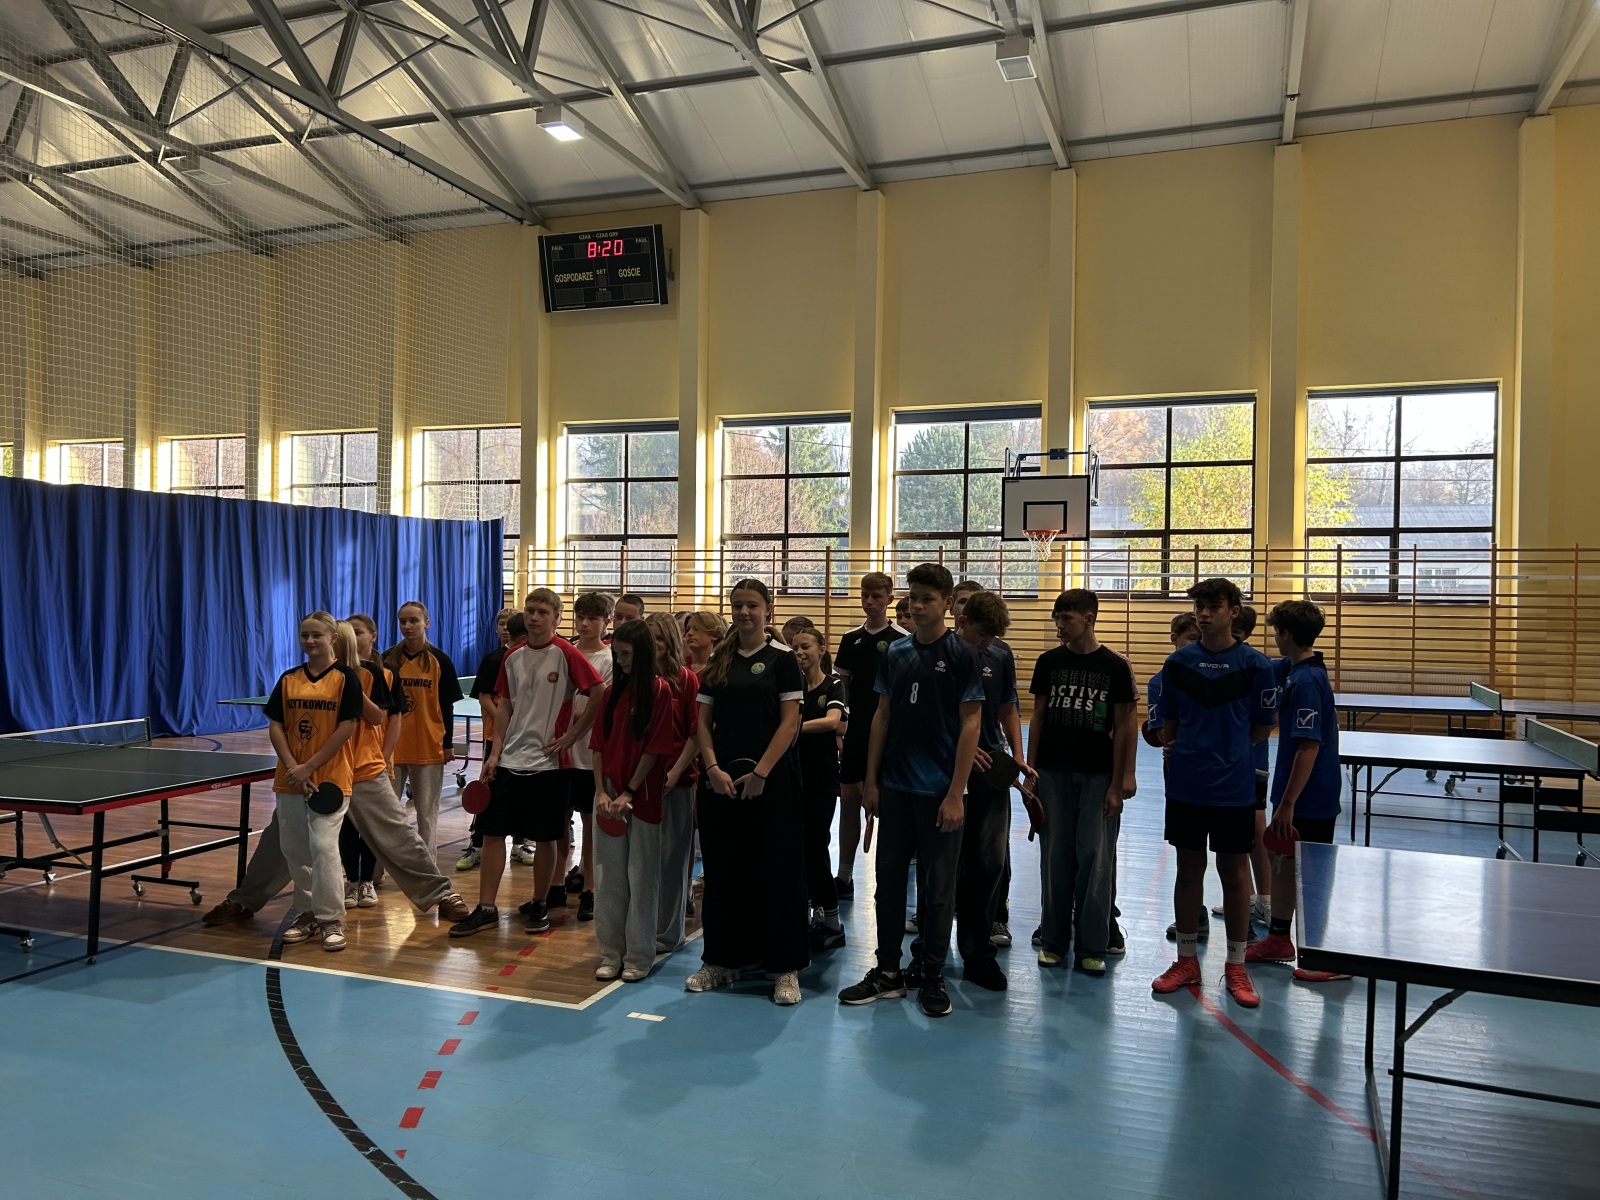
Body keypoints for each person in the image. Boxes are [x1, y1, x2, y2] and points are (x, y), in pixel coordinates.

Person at [202, 616, 472, 933]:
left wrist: (354, 689)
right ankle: (244, 900)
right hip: (315, 772)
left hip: (363, 769)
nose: (345, 641)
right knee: (279, 841)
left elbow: (381, 718)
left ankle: (441, 894)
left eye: (354, 634)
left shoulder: (374, 673)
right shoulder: (301, 677)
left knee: (398, 836)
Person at [839, 563, 982, 1019]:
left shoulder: (962, 654)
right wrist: (872, 779)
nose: (917, 606)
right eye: (913, 597)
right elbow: (881, 716)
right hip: (895, 788)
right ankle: (887, 972)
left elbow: (971, 724)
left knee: (938, 891)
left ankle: (932, 973)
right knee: (888, 885)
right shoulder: (896, 652)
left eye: (927, 599)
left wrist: (956, 793)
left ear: (947, 604)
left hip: (940, 792)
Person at [1148, 578, 1278, 1009]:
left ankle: (1236, 965)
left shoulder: (1257, 666)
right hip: (1187, 785)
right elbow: (1169, 725)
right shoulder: (1178, 663)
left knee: (1235, 874)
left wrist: (1228, 752)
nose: (1204, 614)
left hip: (1234, 787)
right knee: (1188, 869)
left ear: (1233, 612)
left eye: (1213, 606)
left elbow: (1262, 726)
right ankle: (1187, 961)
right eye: (1199, 606)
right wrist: (1190, 751)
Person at [449, 589, 603, 938]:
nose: (534, 617)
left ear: (556, 618)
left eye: (542, 612)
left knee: (546, 837)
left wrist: (572, 735)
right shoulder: (512, 656)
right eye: (530, 611)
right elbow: (504, 705)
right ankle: (486, 907)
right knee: (492, 833)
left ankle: (540, 903)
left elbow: (597, 691)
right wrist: (494, 752)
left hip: (550, 764)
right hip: (508, 761)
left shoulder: (566, 653)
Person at [688, 578, 809, 1006]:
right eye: (737, 604)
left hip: (771, 782)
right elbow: (702, 724)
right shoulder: (719, 660)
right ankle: (721, 961)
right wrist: (713, 768)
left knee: (777, 872)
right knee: (723, 872)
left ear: (767, 609)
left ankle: (784, 968)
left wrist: (761, 773)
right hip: (721, 783)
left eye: (752, 605)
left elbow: (790, 723)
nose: (744, 612)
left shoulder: (783, 659)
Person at [1027, 589, 1136, 977]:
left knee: (1095, 859)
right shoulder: (1048, 662)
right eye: (1057, 618)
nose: (1060, 625)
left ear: (1089, 619)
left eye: (1067, 618)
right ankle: (1054, 941)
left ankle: (1092, 945)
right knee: (1055, 859)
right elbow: (1038, 717)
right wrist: (1031, 771)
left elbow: (1125, 725)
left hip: (1097, 776)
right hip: (1052, 774)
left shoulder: (1114, 666)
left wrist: (1121, 780)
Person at [1246, 601, 1351, 983]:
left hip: (1310, 797)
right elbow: (1261, 665)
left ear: (1286, 635)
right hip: (1292, 793)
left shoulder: (1306, 682)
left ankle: (1326, 956)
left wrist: (1288, 803)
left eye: (1276, 631)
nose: (1273, 637)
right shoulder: (1294, 669)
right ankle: (1278, 938)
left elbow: (1309, 747)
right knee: (1284, 865)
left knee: (1312, 874)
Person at [943, 590, 1032, 991]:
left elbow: (1008, 707)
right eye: (982, 635)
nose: (987, 643)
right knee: (943, 864)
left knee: (989, 862)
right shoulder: (941, 654)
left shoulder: (1000, 654)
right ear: (962, 622)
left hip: (991, 772)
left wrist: (1018, 756)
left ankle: (978, 954)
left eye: (993, 637)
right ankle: (930, 953)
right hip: (947, 770)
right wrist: (964, 747)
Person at [265, 612, 364, 952]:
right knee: (294, 849)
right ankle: (307, 913)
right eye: (304, 635)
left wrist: (310, 766)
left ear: (332, 638)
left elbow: (347, 726)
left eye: (316, 635)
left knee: (323, 847)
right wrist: (294, 767)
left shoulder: (346, 678)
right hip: (291, 778)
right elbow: (276, 725)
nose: (309, 641)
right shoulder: (289, 678)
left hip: (330, 779)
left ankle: (331, 918)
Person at [590, 619, 678, 982]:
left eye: (625, 654)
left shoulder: (660, 691)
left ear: (641, 654)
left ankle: (639, 955)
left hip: (641, 796)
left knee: (641, 878)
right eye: (616, 654)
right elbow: (598, 746)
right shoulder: (611, 693)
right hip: (608, 794)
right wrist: (601, 790)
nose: (620, 660)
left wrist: (629, 790)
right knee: (608, 878)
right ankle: (611, 952)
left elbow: (655, 748)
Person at [833, 572, 907, 900]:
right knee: (849, 801)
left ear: (889, 599)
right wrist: (842, 728)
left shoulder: (903, 639)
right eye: (865, 595)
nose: (869, 602)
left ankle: (888, 881)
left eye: (876, 596)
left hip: (891, 737)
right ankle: (844, 876)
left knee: (889, 807)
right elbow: (843, 689)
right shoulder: (851, 639)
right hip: (857, 734)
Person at [384, 601, 463, 873]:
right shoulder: (388, 659)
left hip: (428, 745)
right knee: (387, 814)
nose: (407, 626)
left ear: (426, 623)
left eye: (413, 621)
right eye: (403, 621)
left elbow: (447, 705)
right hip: (392, 748)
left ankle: (427, 869)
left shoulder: (440, 660)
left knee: (426, 814)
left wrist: (447, 743)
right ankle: (381, 869)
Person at [560, 591, 616, 921]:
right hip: (558, 752)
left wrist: (569, 726)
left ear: (606, 622)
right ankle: (557, 881)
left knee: (590, 823)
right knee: (559, 820)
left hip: (588, 753)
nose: (584, 624)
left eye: (592, 618)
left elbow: (598, 706)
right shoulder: (564, 653)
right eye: (580, 617)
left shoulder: (609, 661)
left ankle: (590, 888)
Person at [647, 612, 700, 954]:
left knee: (673, 860)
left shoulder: (686, 679)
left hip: (678, 781)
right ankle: (644, 925)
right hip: (642, 783)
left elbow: (695, 734)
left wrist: (676, 772)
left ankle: (669, 933)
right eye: (648, 638)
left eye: (659, 639)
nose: (653, 645)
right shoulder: (636, 680)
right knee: (645, 861)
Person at [790, 627, 846, 952]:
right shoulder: (795, 687)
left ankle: (833, 923)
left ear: (821, 650)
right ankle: (811, 914)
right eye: (795, 647)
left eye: (806, 646)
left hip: (822, 781)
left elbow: (832, 721)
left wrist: (792, 728)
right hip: (795, 778)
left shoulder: (833, 684)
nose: (800, 652)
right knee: (799, 849)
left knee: (815, 847)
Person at [1224, 604, 1274, 930]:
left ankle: (1266, 900)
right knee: (1234, 833)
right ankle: (1247, 896)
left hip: (1252, 762)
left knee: (1256, 828)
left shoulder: (1256, 665)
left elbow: (1264, 723)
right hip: (1221, 766)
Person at [458, 607, 517, 871]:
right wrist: (507, 725)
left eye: (510, 624)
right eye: (501, 623)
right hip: (496, 737)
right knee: (487, 789)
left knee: (519, 791)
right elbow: (484, 698)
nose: (505, 628)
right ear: (496, 628)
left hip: (523, 739)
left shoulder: (527, 658)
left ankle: (521, 844)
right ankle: (478, 845)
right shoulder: (493, 660)